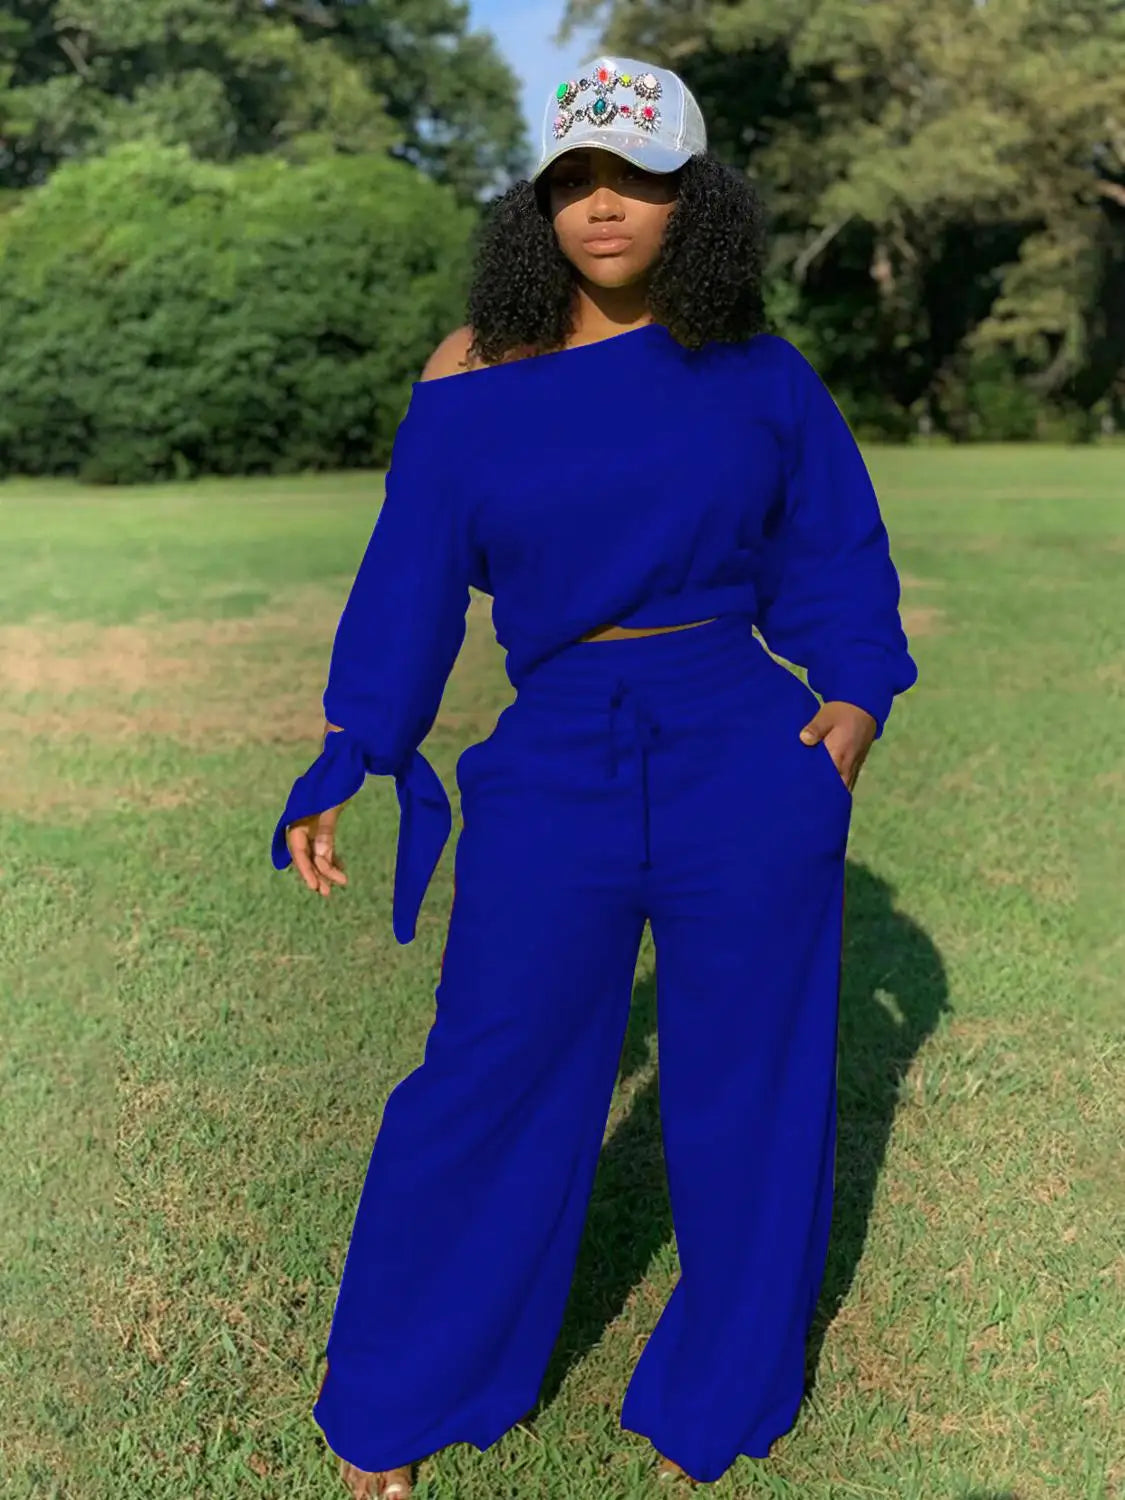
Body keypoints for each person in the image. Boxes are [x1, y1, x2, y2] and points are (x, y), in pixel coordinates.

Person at [271, 54, 918, 1499]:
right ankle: (403, 1394)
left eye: (638, 178)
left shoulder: (755, 369)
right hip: (556, 748)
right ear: (539, 202)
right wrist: (353, 746)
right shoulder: (470, 371)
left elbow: (834, 552)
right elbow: (409, 577)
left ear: (697, 200)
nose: (604, 206)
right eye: (575, 180)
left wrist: (853, 708)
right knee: (487, 1071)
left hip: (740, 749)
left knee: (750, 1087)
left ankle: (719, 1390)